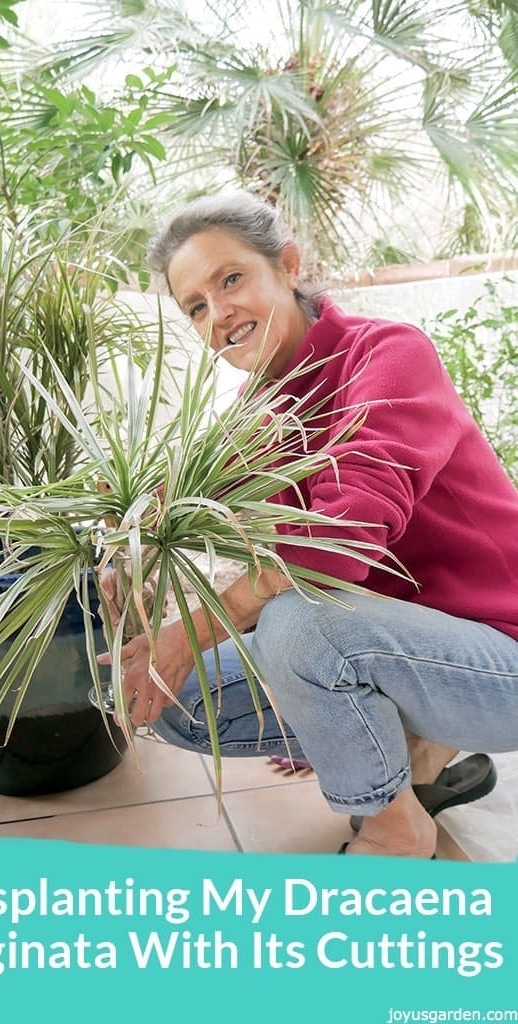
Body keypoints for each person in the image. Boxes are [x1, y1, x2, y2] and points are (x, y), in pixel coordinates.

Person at [102, 190, 518, 859]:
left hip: (500, 654)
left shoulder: (387, 354)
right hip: (404, 642)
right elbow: (186, 511)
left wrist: (201, 629)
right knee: (177, 693)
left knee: (299, 621)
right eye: (196, 307)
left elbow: (337, 545)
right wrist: (132, 554)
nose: (219, 314)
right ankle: (409, 757)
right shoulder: (257, 413)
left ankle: (394, 830)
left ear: (288, 265)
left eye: (230, 279)